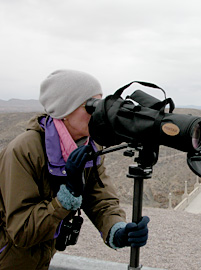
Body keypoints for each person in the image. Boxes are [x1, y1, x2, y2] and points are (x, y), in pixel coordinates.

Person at [0, 69, 150, 270]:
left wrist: (118, 229)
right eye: (91, 106)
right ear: (64, 110)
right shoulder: (23, 151)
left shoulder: (89, 148)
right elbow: (22, 231)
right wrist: (67, 197)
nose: (98, 113)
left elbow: (101, 200)